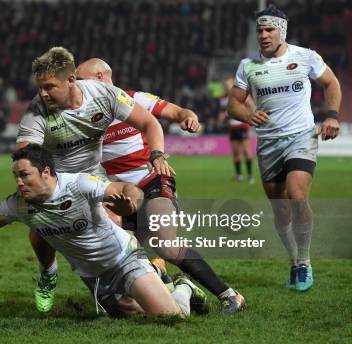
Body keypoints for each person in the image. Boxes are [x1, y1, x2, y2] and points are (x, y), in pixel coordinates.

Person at [0, 144, 201, 318]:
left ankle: (183, 287)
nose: (19, 183)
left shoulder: (78, 184)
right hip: (93, 277)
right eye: (16, 177)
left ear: (47, 172)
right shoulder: (21, 205)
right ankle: (161, 285)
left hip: (124, 260)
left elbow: (127, 189)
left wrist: (129, 206)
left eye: (24, 175)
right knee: (128, 315)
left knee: (169, 319)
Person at [72, 58, 245, 313]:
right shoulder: (84, 115)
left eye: (80, 80)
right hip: (119, 194)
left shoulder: (133, 100)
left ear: (100, 78)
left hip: (152, 179)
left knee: (165, 244)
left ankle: (229, 294)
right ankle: (180, 289)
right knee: (125, 256)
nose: (77, 86)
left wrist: (188, 118)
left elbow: (177, 112)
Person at [16, 47, 175, 312]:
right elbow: (24, 153)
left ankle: (151, 277)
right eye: (40, 87)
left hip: (93, 175)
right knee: (39, 233)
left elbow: (150, 123)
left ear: (71, 81)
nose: (43, 94)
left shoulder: (103, 94)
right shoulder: (36, 112)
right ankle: (48, 274)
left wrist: (157, 154)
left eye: (49, 87)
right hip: (57, 180)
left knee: (114, 222)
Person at [227, 5, 341, 292]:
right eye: (259, 30)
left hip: (301, 136)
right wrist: (246, 115)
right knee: (280, 211)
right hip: (268, 143)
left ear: (282, 30)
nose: (263, 35)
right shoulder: (247, 66)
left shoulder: (305, 56)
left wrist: (332, 116)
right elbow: (233, 104)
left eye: (269, 29)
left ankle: (304, 261)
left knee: (297, 196)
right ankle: (294, 261)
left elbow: (331, 83)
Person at [220, 77, 254, 183]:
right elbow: (222, 112)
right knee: (235, 152)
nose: (226, 87)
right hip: (232, 127)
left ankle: (250, 176)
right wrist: (221, 118)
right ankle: (239, 175)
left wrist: (248, 117)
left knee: (246, 151)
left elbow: (252, 106)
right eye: (225, 86)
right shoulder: (223, 98)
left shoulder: (241, 94)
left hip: (242, 126)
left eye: (228, 85)